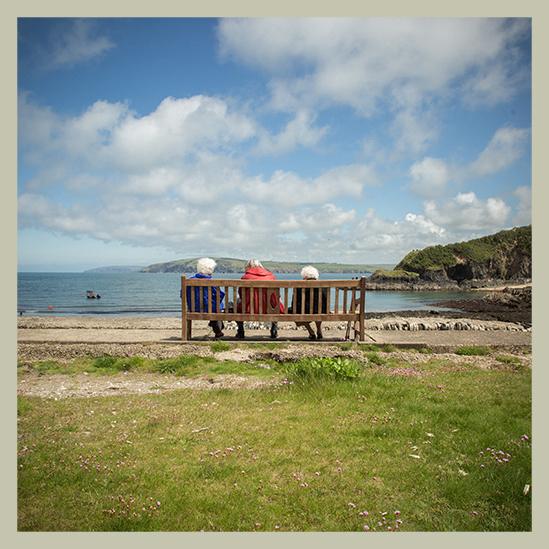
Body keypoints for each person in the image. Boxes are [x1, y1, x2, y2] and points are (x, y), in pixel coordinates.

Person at [235, 259, 284, 339]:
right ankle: (274, 330)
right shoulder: (271, 277)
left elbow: (241, 295)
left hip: (248, 309)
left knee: (236, 305)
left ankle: (241, 331)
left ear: (249, 267)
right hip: (270, 309)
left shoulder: (245, 277)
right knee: (276, 303)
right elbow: (276, 296)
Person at [184, 257, 225, 338]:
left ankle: (216, 327)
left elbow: (183, 295)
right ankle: (217, 327)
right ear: (211, 269)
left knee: (214, 306)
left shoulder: (189, 281)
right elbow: (220, 295)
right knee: (217, 307)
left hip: (193, 309)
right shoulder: (212, 282)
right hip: (209, 309)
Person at [291, 265, 328, 340]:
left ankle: (310, 331)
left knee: (293, 311)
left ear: (304, 276)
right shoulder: (323, 286)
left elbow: (295, 303)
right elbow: (325, 302)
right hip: (321, 312)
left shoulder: (299, 287)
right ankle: (319, 330)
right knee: (320, 308)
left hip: (305, 311)